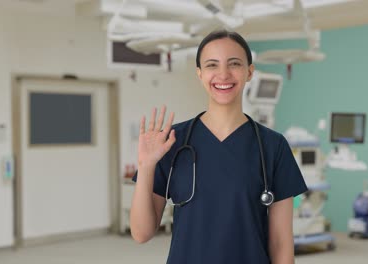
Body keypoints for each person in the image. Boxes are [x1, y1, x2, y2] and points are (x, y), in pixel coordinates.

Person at [131, 29, 308, 264]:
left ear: (249, 72)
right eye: (212, 65)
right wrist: (146, 166)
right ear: (200, 74)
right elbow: (141, 233)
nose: (223, 74)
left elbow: (281, 242)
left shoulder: (273, 146)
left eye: (234, 63)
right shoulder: (171, 142)